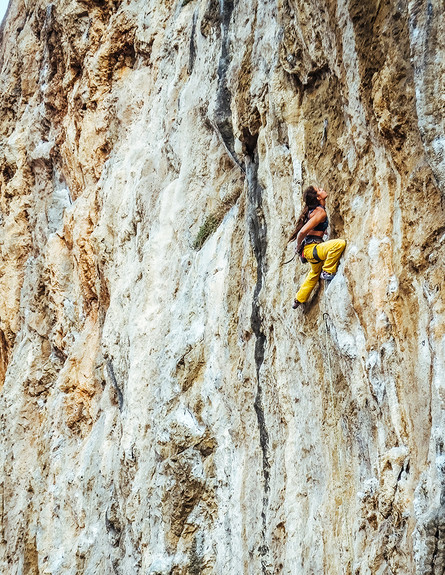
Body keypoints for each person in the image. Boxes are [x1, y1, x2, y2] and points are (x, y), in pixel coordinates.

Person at [288, 185, 345, 309]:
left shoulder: (315, 211)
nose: (322, 188)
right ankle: (328, 271)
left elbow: (312, 229)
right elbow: (302, 232)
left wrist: (321, 231)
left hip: (312, 250)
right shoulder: (320, 212)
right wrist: (298, 247)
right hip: (312, 249)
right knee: (339, 244)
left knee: (314, 273)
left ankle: (298, 299)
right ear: (318, 197)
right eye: (319, 189)